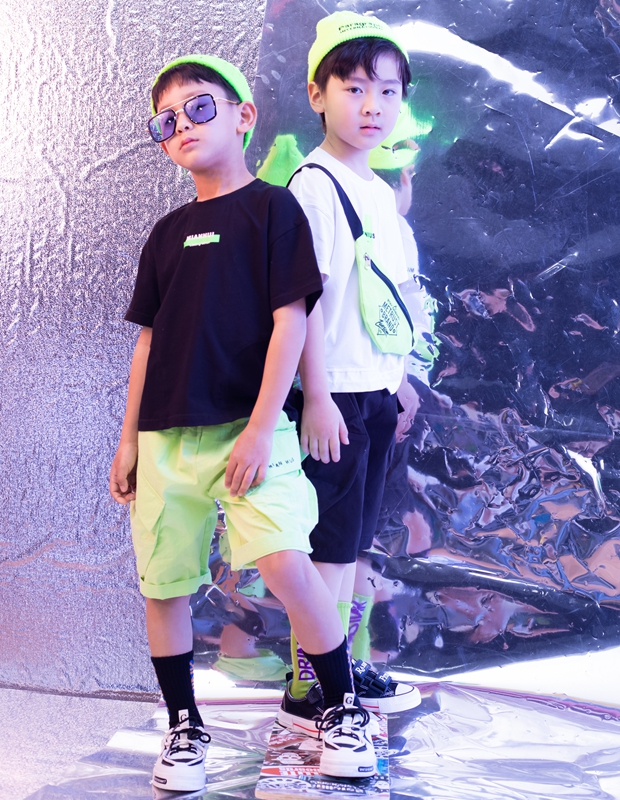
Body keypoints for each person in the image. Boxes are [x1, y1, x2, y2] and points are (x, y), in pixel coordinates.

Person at [109, 54, 377, 792]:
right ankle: (184, 728)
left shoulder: (273, 210)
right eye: (166, 121)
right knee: (164, 585)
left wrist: (262, 426)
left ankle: (341, 709)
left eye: (199, 107)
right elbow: (149, 342)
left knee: (287, 561)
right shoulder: (166, 233)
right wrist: (129, 440)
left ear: (243, 116)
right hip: (165, 436)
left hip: (252, 428)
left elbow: (292, 320)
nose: (182, 127)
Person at [278, 11, 422, 732]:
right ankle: (310, 685)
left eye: (388, 91)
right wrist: (317, 397)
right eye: (355, 88)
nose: (373, 106)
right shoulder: (313, 185)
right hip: (330, 398)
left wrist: (398, 379)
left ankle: (337, 668)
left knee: (353, 546)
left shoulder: (378, 192)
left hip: (372, 395)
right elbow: (300, 303)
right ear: (317, 94)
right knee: (328, 550)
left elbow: (384, 298)